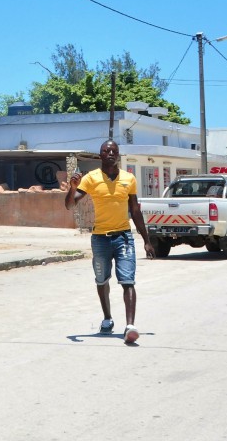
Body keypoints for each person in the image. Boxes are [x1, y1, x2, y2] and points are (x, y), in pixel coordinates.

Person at [64, 139, 155, 345]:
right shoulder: (91, 178)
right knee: (102, 280)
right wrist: (72, 188)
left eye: (114, 151)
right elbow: (70, 205)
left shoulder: (128, 179)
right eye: (106, 151)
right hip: (100, 238)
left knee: (128, 280)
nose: (111, 154)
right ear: (101, 155)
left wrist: (146, 240)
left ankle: (130, 325)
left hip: (124, 236)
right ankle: (107, 318)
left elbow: (135, 210)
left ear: (118, 154)